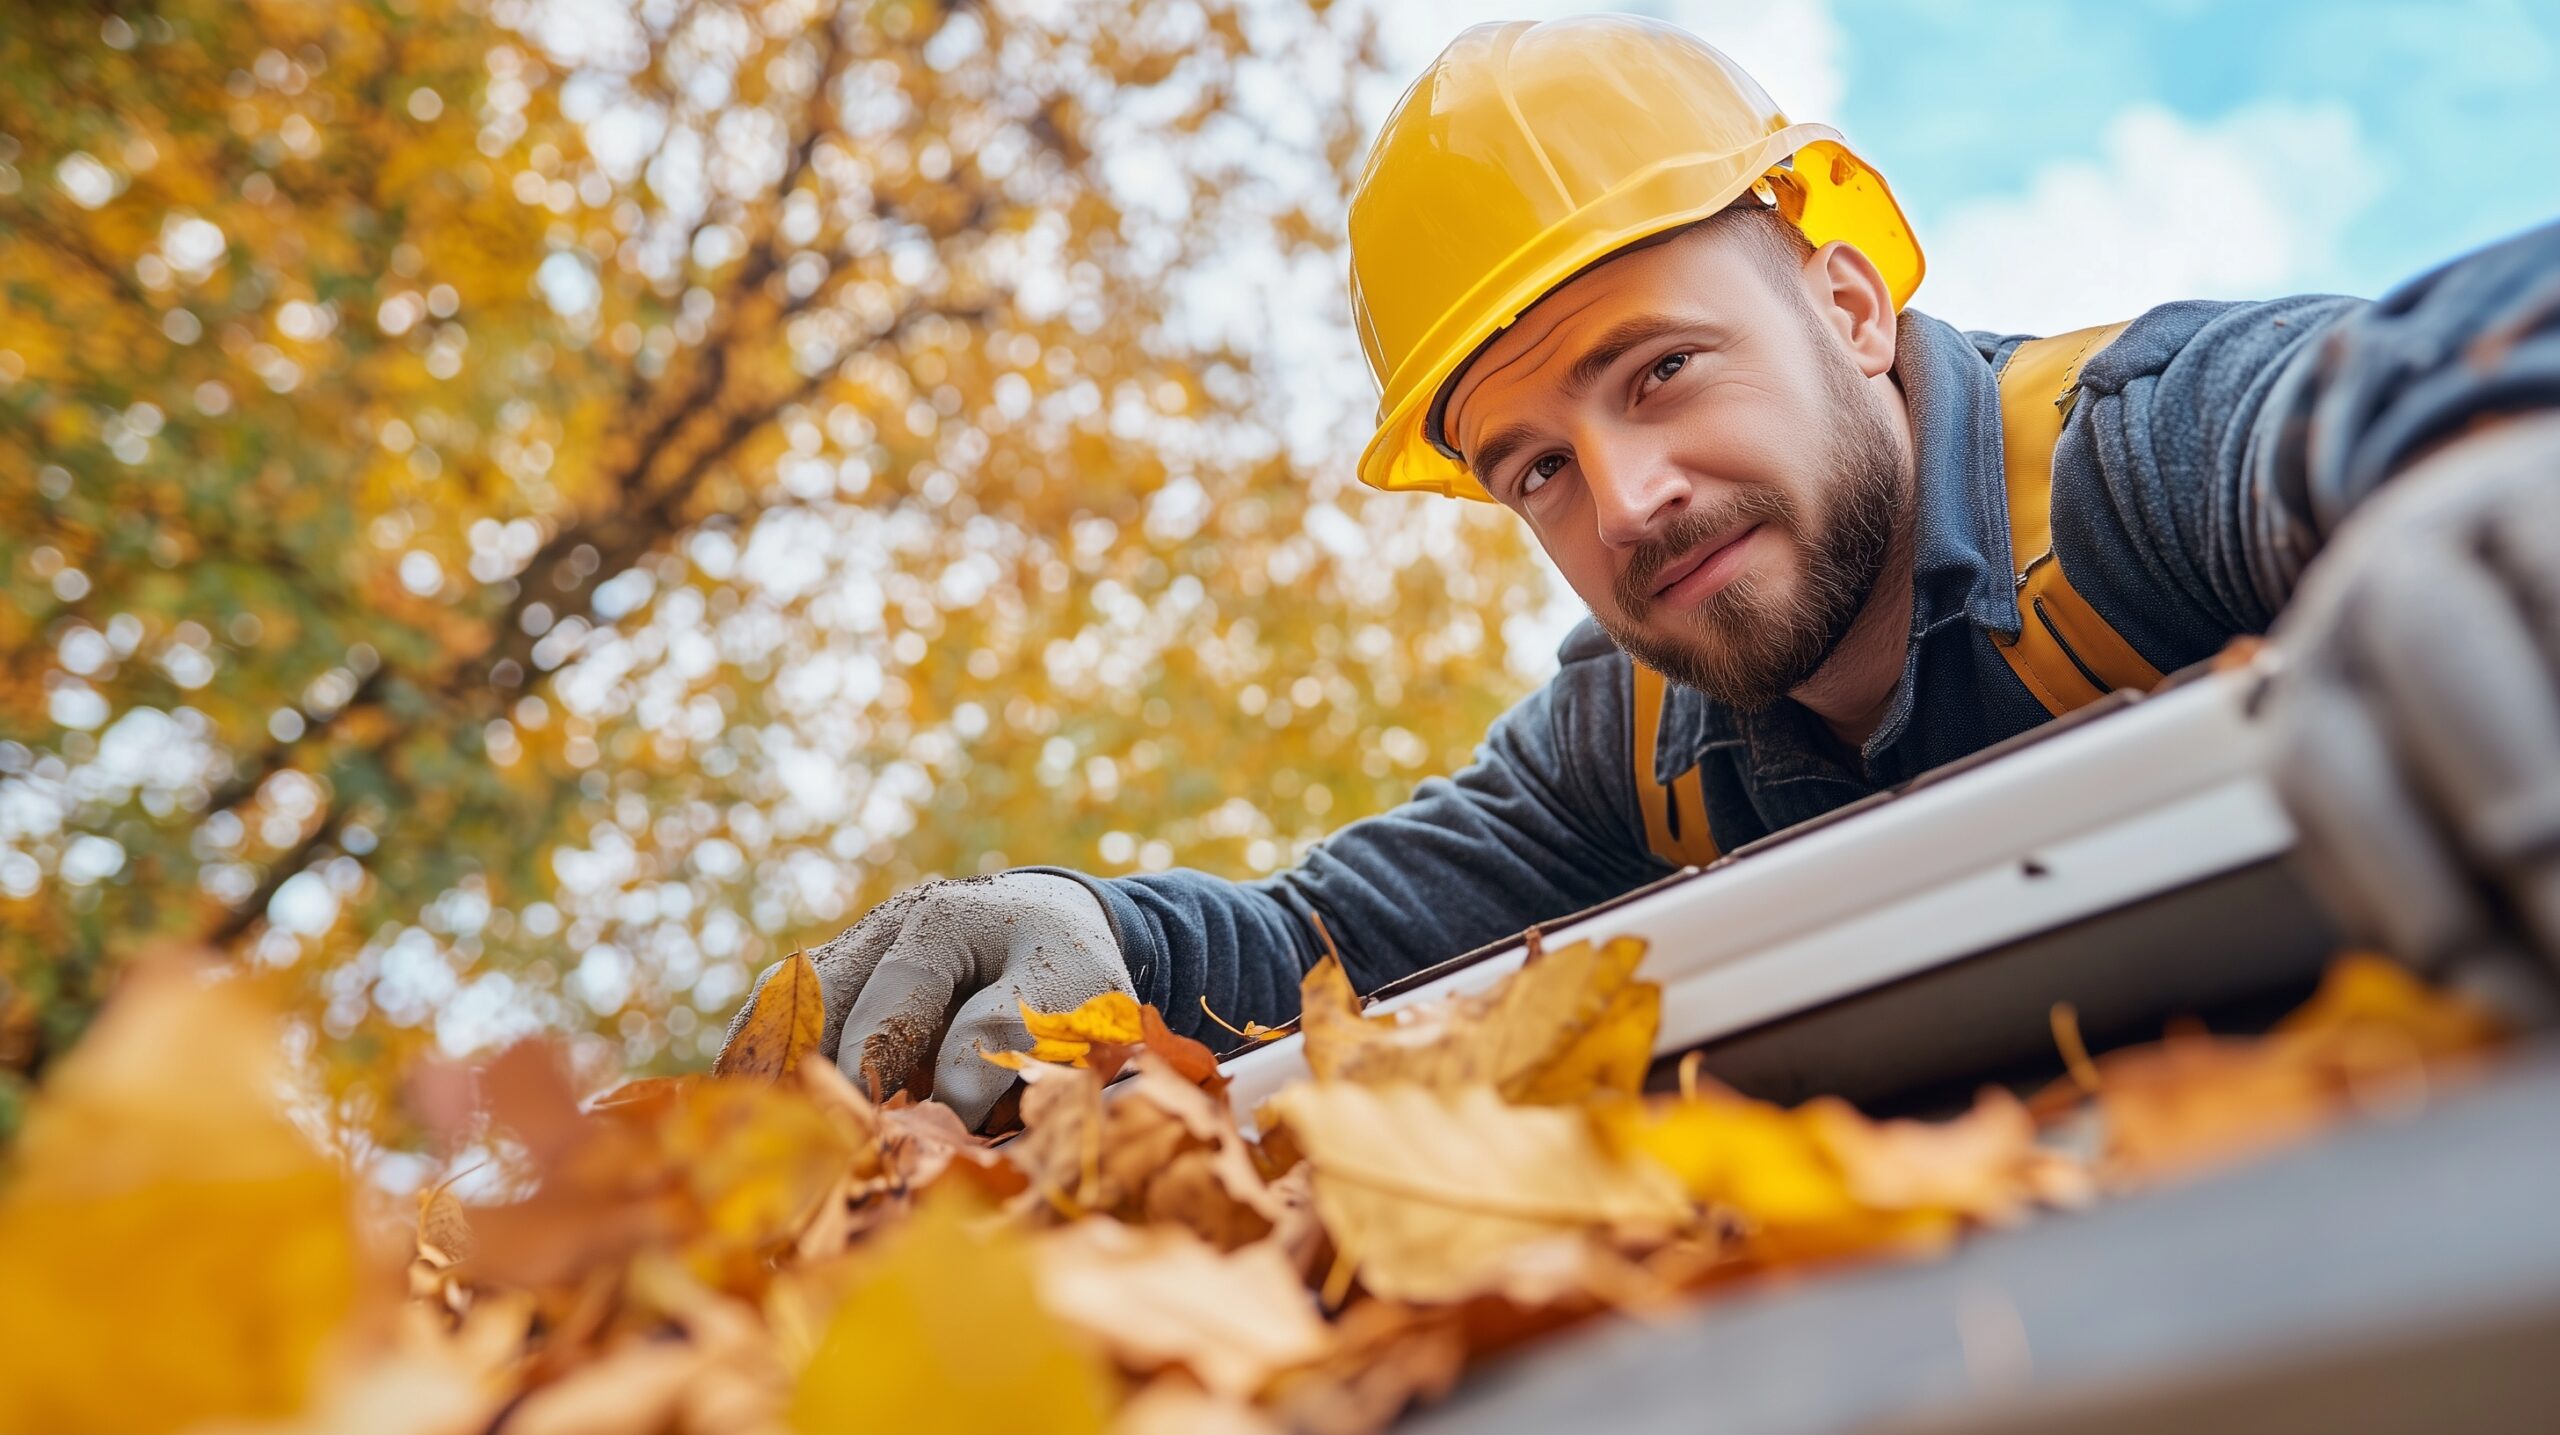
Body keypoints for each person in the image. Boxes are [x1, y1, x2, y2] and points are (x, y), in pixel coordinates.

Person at [724, 16, 2560, 1127]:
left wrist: (2482, 491)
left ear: (1848, 303)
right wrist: (1092, 934)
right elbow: (1320, 953)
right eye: (1534, 465)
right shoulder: (1642, 743)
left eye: (1659, 369)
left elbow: (2414, 374)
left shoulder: (2129, 457)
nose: (1630, 499)